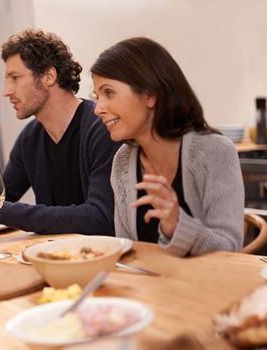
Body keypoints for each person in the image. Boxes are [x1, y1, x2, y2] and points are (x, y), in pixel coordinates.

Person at [0, 28, 120, 235]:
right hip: (53, 256)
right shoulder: (31, 138)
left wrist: (3, 210)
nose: (7, 91)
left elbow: (99, 218)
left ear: (48, 76)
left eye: (15, 78)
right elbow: (1, 194)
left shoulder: (101, 128)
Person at [90, 37, 244, 257]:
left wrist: (177, 224)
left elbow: (230, 248)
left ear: (150, 96)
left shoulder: (215, 152)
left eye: (109, 93)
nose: (98, 109)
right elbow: (126, 249)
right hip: (148, 288)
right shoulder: (122, 161)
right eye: (96, 96)